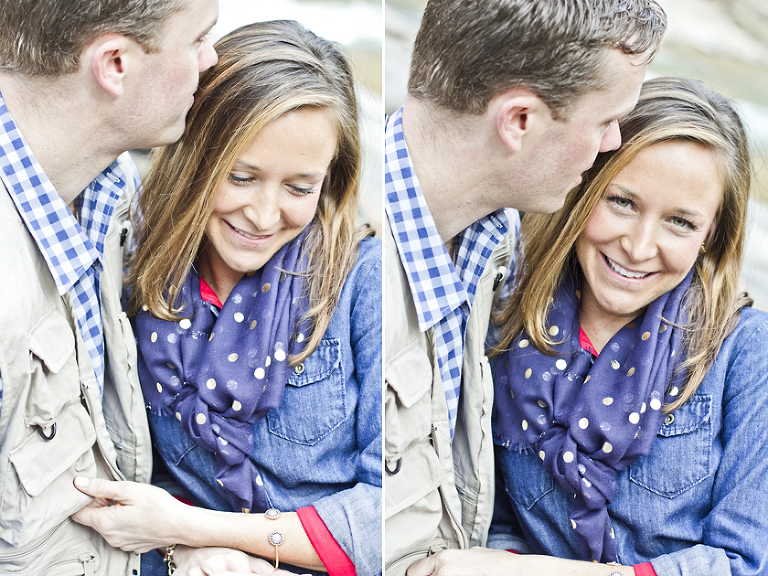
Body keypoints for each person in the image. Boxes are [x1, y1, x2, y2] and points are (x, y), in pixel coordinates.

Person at [410, 76, 767, 576]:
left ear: (711, 235)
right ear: (582, 188)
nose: (640, 247)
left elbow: (745, 562)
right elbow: (496, 513)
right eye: (622, 202)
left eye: (680, 223)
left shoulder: (748, 353)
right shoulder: (504, 321)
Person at [71, 21, 382, 576]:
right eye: (240, 177)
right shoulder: (133, 269)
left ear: (330, 180)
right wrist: (185, 554)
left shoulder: (365, 282)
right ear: (196, 156)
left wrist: (196, 532)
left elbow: (387, 514)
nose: (264, 217)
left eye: (299, 188)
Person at [383, 0, 666, 573]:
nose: (614, 142)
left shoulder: (496, 238)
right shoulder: (347, 260)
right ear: (520, 120)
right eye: (606, 120)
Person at [0, 0, 218, 574]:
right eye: (197, 39)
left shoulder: (109, 189)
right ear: (115, 62)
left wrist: (182, 544)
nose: (211, 58)